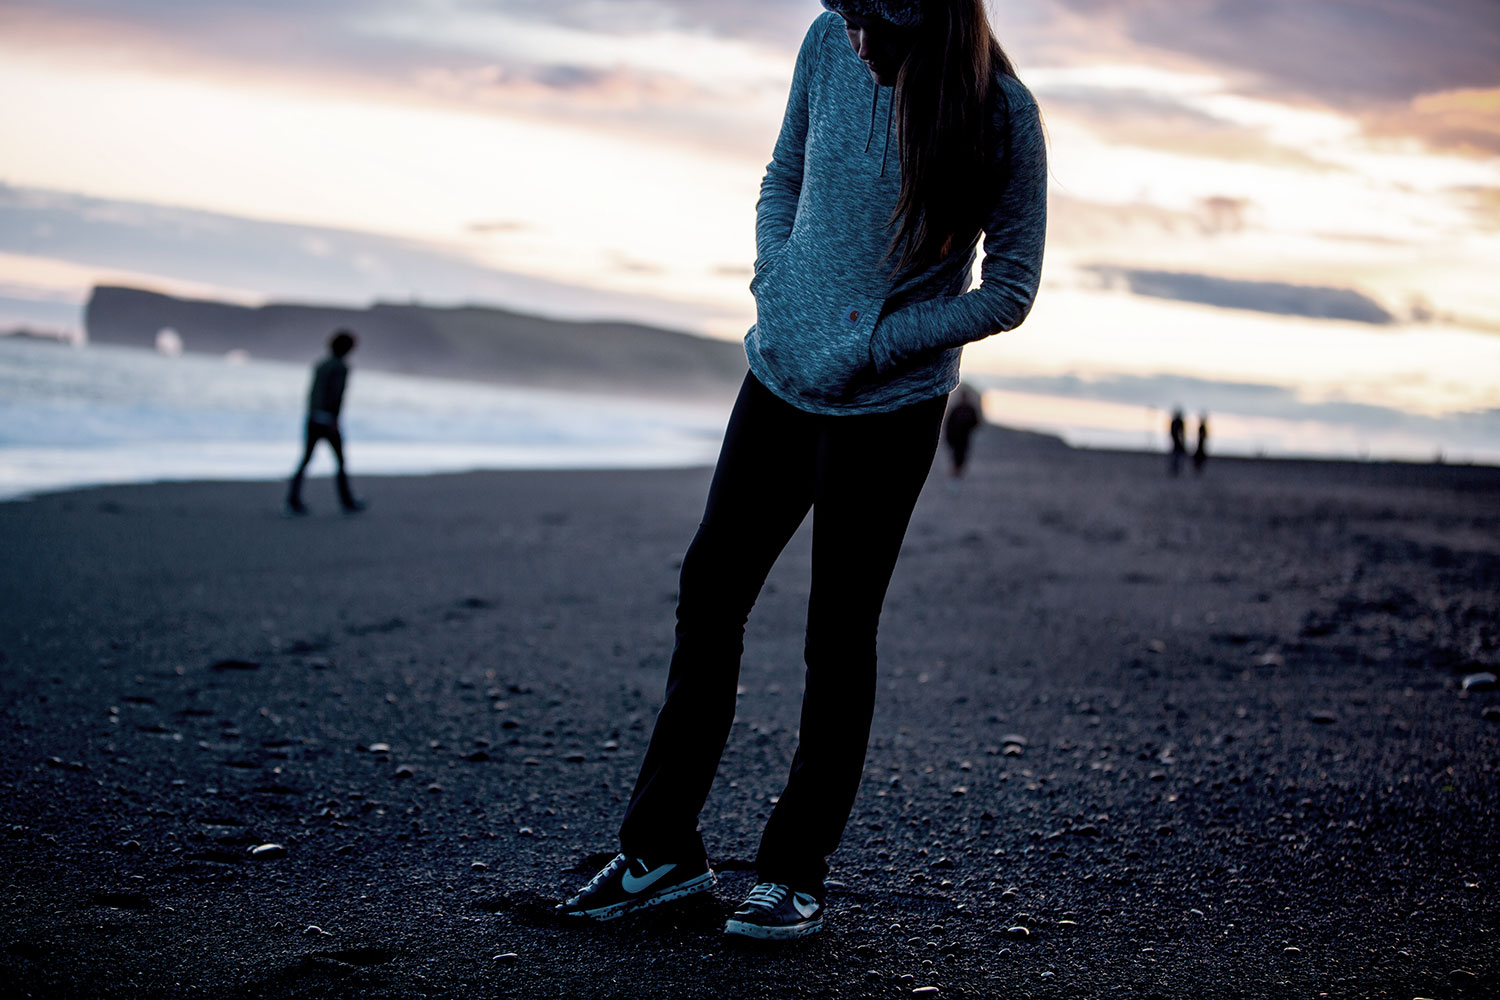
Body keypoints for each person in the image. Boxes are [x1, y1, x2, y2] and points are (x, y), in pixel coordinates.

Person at [557, 0, 1046, 941]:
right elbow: (782, 178)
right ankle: (661, 852)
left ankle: (793, 872)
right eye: (849, 16)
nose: (857, 39)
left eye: (877, 24)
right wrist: (774, 284)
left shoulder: (1001, 117)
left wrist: (876, 342)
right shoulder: (826, 45)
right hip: (778, 374)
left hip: (887, 408)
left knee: (837, 629)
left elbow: (1010, 288)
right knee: (712, 588)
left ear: (933, 20)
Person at [285, 329, 363, 515]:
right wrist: (333, 419)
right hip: (328, 420)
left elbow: (313, 394)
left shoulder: (321, 365)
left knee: (306, 459)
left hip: (313, 418)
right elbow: (336, 396)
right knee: (340, 461)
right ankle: (347, 502)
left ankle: (292, 499)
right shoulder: (341, 368)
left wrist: (313, 414)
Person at [943, 384, 982, 479]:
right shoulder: (956, 409)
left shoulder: (970, 409)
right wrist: (949, 437)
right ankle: (954, 472)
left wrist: (968, 427)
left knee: (963, 455)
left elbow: (976, 422)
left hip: (965, 438)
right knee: (955, 455)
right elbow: (948, 424)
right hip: (955, 438)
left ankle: (958, 472)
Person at [1168, 407, 1187, 477]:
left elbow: (1173, 432)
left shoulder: (1175, 422)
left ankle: (1175, 468)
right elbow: (1181, 433)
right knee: (1177, 456)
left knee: (1176, 456)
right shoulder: (1178, 422)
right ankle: (1175, 469)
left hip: (1176, 442)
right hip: (1177, 442)